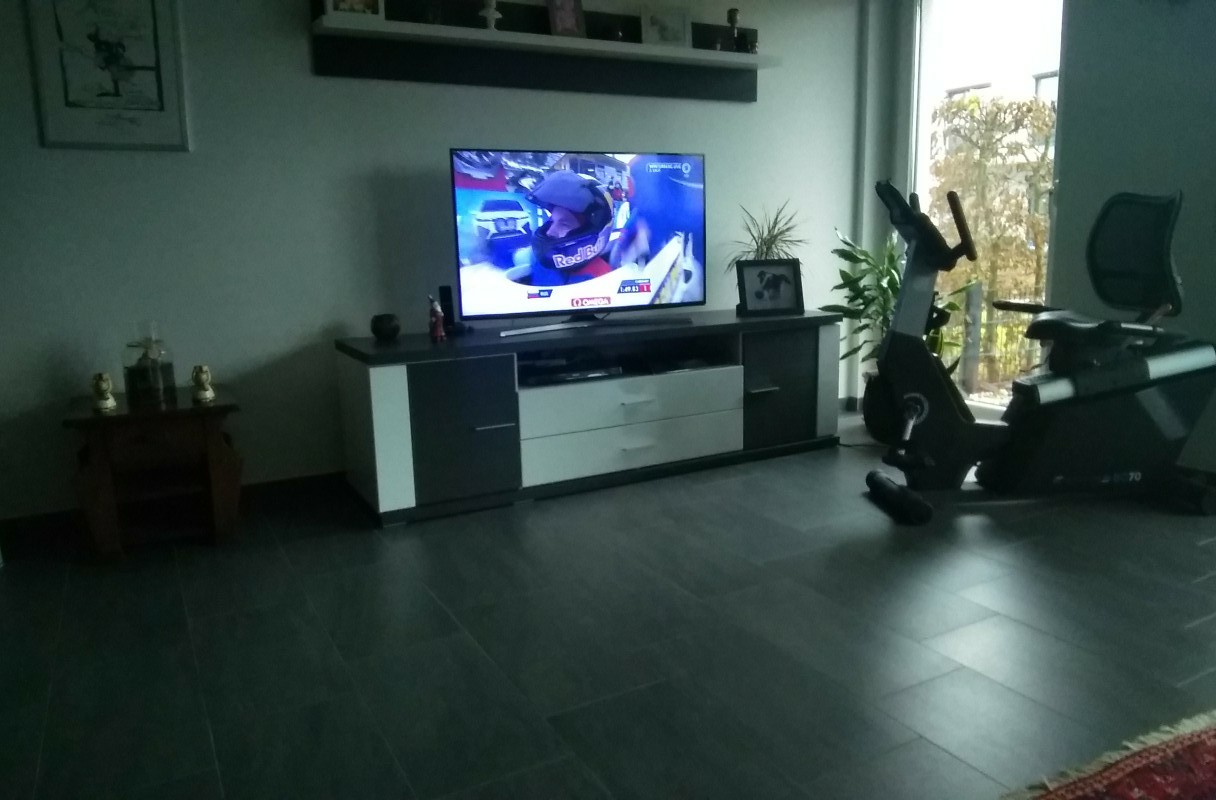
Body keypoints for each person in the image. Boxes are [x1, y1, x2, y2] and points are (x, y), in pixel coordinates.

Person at [524, 170, 616, 286]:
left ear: (587, 230)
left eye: (564, 224)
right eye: (552, 221)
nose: (550, 232)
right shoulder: (536, 259)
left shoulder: (604, 281)